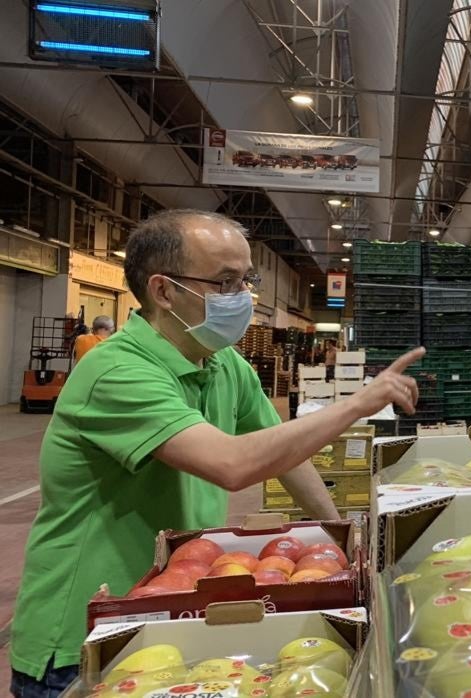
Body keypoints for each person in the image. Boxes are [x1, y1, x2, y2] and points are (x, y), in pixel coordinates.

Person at [9, 210, 424, 697]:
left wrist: (340, 543)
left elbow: (285, 455)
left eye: (245, 279)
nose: (243, 297)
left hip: (172, 613)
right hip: (91, 633)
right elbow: (233, 464)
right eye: (225, 282)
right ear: (164, 291)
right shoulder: (115, 372)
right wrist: (356, 404)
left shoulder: (223, 363)